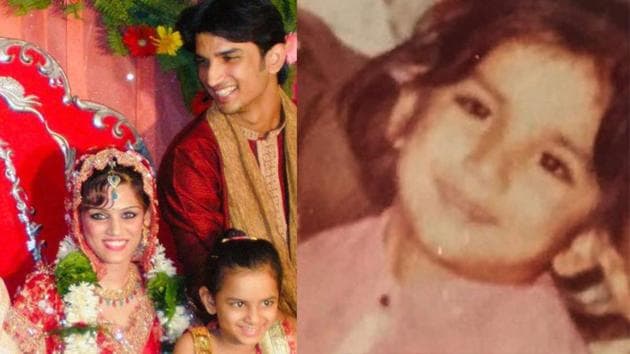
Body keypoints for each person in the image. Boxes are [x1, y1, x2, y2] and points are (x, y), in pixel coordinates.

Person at [299, 0, 629, 352]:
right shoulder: (316, 258)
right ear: (406, 111)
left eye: (551, 163)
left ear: (584, 244)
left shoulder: (530, 343)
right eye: (476, 108)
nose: (487, 165)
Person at [158, 0, 297, 317]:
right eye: (203, 62)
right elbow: (211, 280)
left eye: (229, 58)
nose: (212, 77)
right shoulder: (193, 157)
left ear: (273, 58)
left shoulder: (320, 133)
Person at [4, 148, 190, 353]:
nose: (115, 230)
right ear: (78, 218)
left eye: (128, 215)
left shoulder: (162, 290)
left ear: (146, 218)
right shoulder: (46, 293)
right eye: (99, 216)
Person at [173, 229, 296, 354]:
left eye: (266, 303)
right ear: (210, 301)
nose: (254, 318)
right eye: (239, 304)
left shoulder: (283, 343)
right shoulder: (193, 348)